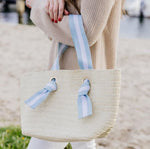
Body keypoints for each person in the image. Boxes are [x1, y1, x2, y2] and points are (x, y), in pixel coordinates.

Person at [25, 0, 125, 148]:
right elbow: (58, 33)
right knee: (83, 143)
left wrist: (39, 6)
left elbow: (87, 32)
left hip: (77, 85)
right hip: (73, 80)